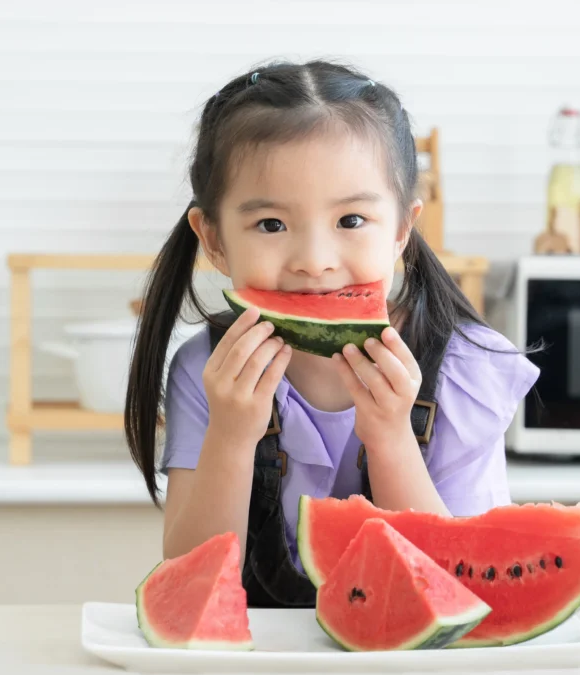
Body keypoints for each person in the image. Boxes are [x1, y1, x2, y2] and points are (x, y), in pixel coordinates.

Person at [123, 59, 540, 607]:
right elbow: (190, 584)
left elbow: (460, 586)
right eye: (271, 224)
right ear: (214, 239)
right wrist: (230, 434)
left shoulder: (464, 368)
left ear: (401, 230)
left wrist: (392, 438)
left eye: (350, 221)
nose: (315, 262)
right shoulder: (209, 374)